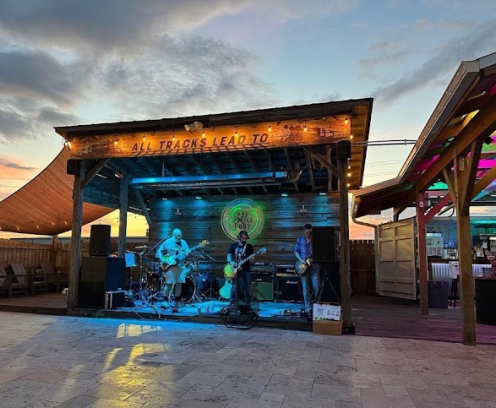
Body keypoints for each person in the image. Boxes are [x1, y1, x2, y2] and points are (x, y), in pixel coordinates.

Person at [157, 229, 191, 306]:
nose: (179, 237)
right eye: (177, 235)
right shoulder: (168, 242)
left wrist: (187, 253)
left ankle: (177, 300)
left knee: (179, 283)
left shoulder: (184, 243)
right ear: (173, 235)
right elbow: (159, 251)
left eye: (180, 235)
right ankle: (165, 299)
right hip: (170, 266)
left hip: (181, 266)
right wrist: (164, 259)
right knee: (169, 284)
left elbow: (187, 251)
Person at [294, 223, 321, 317]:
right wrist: (302, 261)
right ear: (304, 231)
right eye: (307, 231)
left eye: (310, 231)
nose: (308, 232)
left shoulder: (316, 240)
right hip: (303, 266)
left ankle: (317, 306)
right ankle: (308, 307)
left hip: (314, 266)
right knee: (305, 288)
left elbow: (319, 252)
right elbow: (296, 251)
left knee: (316, 286)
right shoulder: (300, 239)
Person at [227, 230, 254, 309]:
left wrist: (252, 258)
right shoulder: (233, 246)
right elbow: (229, 255)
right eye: (243, 238)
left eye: (246, 238)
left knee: (247, 286)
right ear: (239, 237)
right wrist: (232, 262)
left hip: (246, 269)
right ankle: (232, 303)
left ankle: (248, 304)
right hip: (235, 268)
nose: (244, 240)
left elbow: (252, 259)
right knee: (234, 286)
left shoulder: (249, 247)